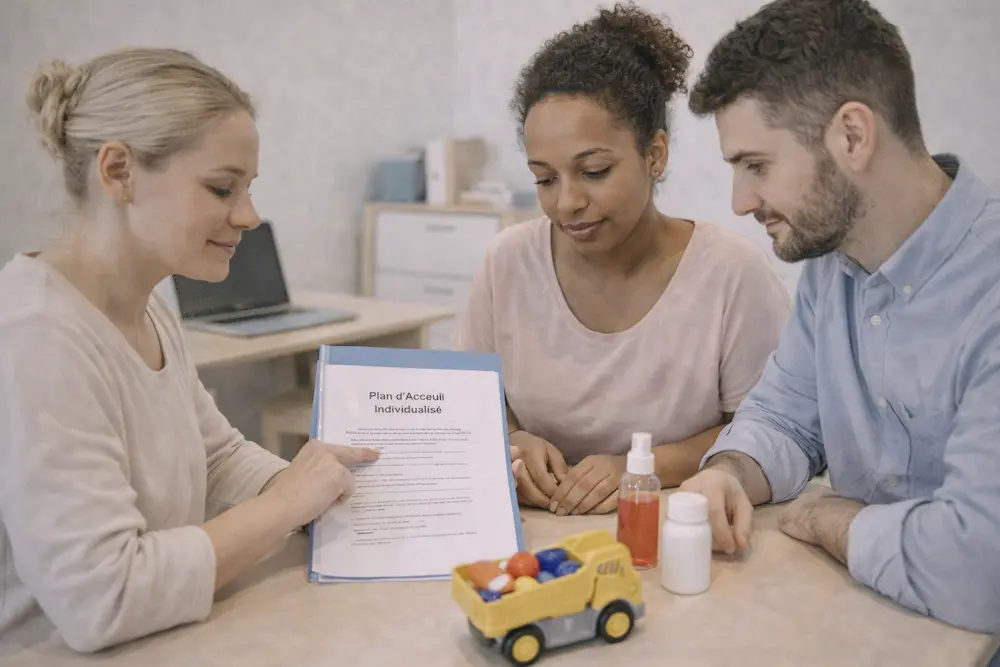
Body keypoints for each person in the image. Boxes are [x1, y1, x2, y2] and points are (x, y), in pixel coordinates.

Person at [0, 48, 380, 656]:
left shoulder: (149, 309)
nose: (249, 215)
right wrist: (286, 504)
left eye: (247, 189)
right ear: (119, 171)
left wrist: (312, 491)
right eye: (222, 188)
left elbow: (216, 456)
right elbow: (103, 597)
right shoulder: (35, 335)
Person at [680, 0, 1000, 634]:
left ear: (852, 136)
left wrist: (840, 522)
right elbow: (785, 418)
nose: (740, 201)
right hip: (867, 625)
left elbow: (980, 568)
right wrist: (727, 473)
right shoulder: (832, 264)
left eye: (756, 166)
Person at [453, 3, 790, 518]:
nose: (566, 203)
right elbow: (469, 407)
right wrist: (512, 442)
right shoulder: (508, 262)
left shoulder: (731, 273)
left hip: (674, 528)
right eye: (545, 179)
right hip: (538, 536)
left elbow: (774, 430)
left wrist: (643, 468)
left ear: (655, 155)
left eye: (594, 171)